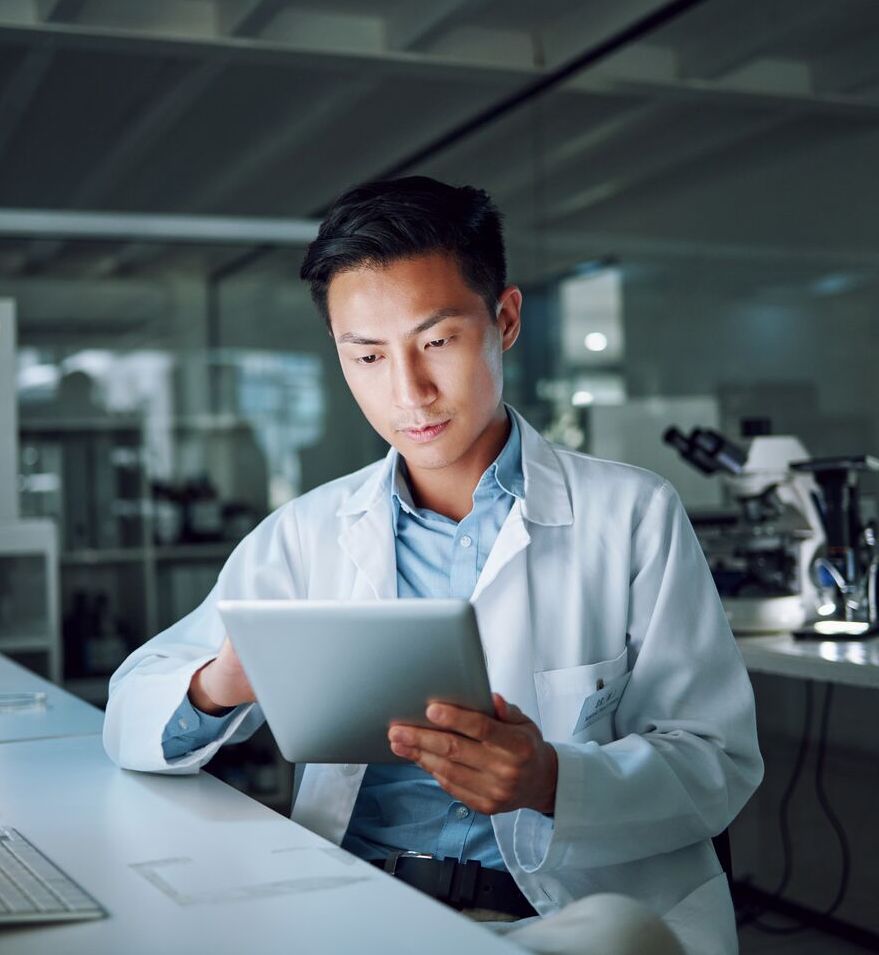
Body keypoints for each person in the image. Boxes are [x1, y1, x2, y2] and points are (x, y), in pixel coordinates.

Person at [104, 177, 762, 955]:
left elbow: (717, 760)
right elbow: (130, 715)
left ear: (505, 319)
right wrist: (223, 683)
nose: (407, 392)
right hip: (358, 908)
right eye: (369, 356)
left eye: (438, 342)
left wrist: (552, 780)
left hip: (563, 913)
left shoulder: (633, 517)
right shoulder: (308, 535)